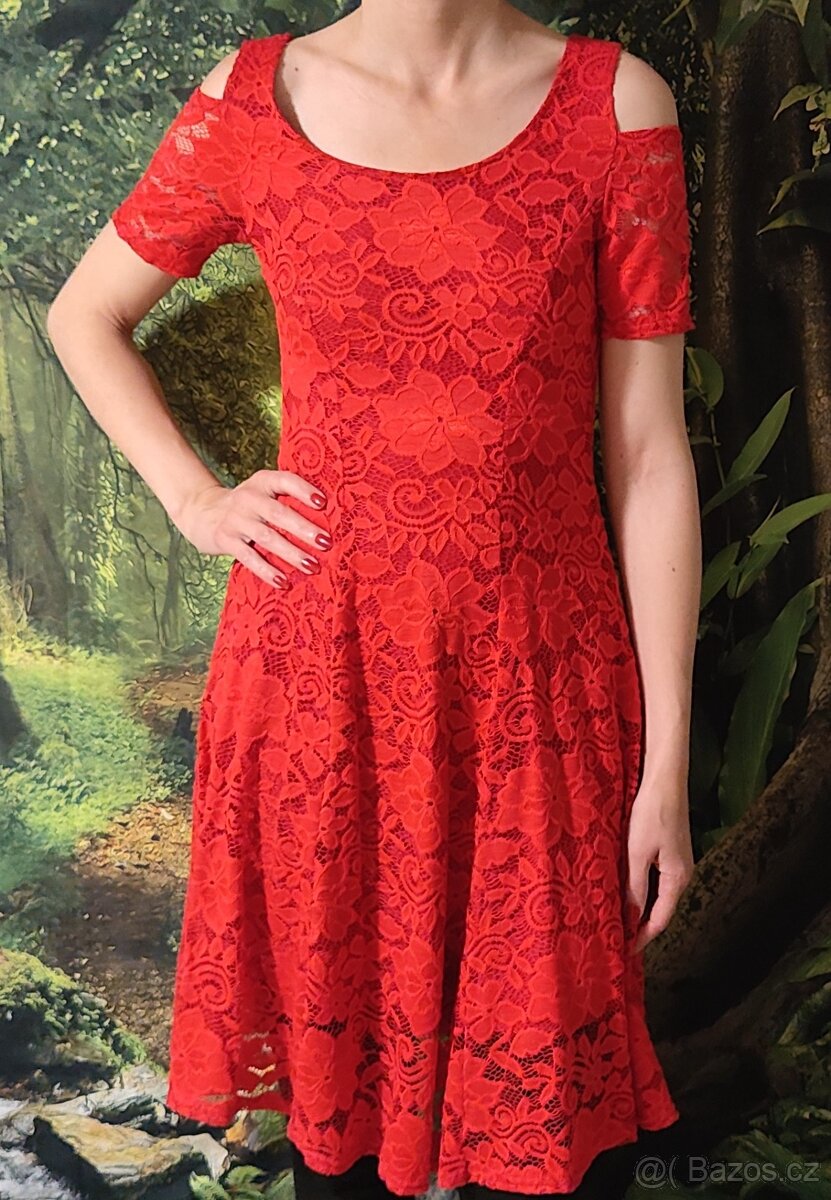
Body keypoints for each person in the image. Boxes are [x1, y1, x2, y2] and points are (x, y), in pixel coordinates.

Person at [46, 1, 701, 1196]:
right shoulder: (254, 99)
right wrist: (196, 500)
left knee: (556, 1143)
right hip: (321, 686)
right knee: (336, 1144)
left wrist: (666, 767)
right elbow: (83, 314)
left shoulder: (615, 105)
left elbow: (650, 456)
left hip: (536, 699)